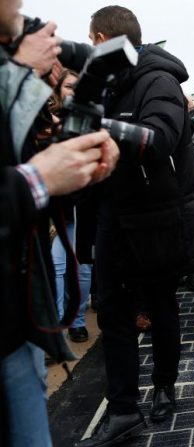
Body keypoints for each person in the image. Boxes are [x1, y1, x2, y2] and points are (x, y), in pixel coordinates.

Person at [77, 6, 194, 446]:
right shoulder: (105, 84)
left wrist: (97, 125)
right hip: (113, 217)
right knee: (114, 313)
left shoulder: (158, 79)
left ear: (100, 39)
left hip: (157, 220)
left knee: (161, 306)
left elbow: (160, 137)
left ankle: (165, 386)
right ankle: (124, 410)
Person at [1, 2, 119, 445]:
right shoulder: (12, 76)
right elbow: (29, 181)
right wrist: (40, 178)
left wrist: (78, 171)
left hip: (18, 323)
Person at [47, 69, 95, 342]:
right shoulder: (45, 118)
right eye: (68, 86)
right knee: (56, 267)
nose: (73, 91)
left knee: (83, 268)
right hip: (56, 210)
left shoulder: (93, 119)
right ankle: (56, 327)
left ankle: (76, 320)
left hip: (84, 207)